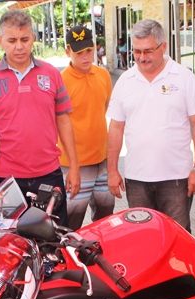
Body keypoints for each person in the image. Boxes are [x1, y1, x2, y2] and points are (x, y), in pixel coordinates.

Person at [0, 10, 79, 227]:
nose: (19, 46)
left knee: (54, 239)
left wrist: (74, 167)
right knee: (10, 243)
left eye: (24, 39)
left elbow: (63, 120)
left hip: (49, 175)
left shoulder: (51, 74)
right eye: (12, 40)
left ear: (33, 38)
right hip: (6, 180)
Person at [106, 19, 195, 232]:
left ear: (163, 46)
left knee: (177, 236)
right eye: (137, 51)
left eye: (148, 51)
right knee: (143, 236)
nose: (142, 58)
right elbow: (115, 127)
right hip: (137, 179)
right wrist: (112, 170)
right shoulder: (125, 81)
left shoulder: (184, 77)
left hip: (176, 178)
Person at [60, 26, 114, 230]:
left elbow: (105, 109)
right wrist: (73, 167)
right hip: (73, 165)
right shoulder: (61, 81)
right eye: (79, 52)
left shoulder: (103, 75)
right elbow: (58, 123)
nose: (85, 57)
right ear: (68, 51)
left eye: (89, 50)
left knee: (105, 221)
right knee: (71, 224)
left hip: (102, 160)